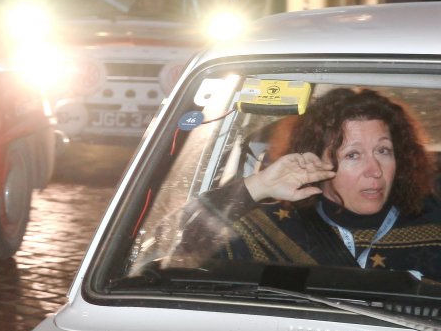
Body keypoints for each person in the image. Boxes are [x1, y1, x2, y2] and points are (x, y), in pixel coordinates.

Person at [175, 88, 441, 275]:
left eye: (383, 151)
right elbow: (176, 253)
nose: (375, 171)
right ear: (315, 159)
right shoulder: (267, 230)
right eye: (353, 155)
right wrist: (258, 186)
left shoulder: (432, 227)